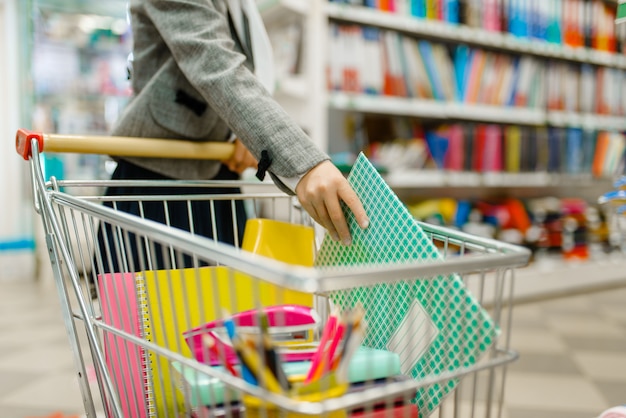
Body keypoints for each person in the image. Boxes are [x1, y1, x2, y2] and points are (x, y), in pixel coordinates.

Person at [96, 0, 369, 272]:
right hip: (158, 186)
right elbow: (214, 63)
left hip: (217, 181)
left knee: (222, 310)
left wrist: (236, 134)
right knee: (150, 312)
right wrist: (305, 165)